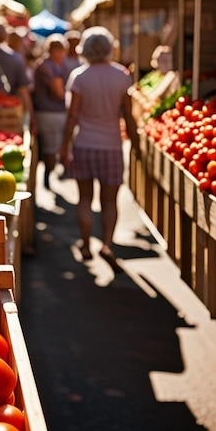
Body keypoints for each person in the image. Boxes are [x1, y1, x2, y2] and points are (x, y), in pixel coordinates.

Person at [59, 27, 140, 270]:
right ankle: (107, 244)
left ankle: (85, 245)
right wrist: (135, 145)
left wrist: (64, 147)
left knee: (84, 199)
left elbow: (72, 117)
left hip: (84, 145)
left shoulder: (79, 77)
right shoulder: (122, 75)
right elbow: (128, 114)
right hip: (112, 146)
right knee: (110, 201)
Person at [32, 33, 70, 189]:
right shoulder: (48, 67)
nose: (62, 55)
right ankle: (48, 178)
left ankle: (49, 176)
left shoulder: (50, 65)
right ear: (52, 51)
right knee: (50, 149)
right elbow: (59, 92)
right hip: (49, 114)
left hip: (51, 113)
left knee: (53, 148)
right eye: (59, 52)